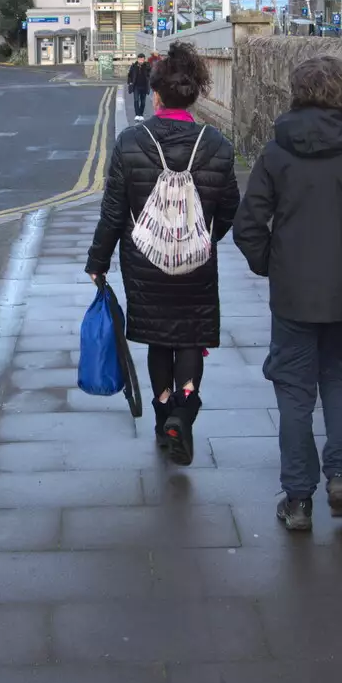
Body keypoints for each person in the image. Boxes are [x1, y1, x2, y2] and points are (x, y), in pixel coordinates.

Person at [233, 56, 342, 532]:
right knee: (340, 379)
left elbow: (248, 225)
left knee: (293, 389)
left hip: (291, 294)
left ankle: (298, 498)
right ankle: (340, 475)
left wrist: (272, 264)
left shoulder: (275, 154)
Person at [86, 42, 241, 466]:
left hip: (144, 262)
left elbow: (114, 212)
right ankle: (184, 416)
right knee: (190, 337)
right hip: (196, 264)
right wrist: (201, 239)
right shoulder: (219, 145)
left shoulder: (131, 141)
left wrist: (98, 263)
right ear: (195, 96)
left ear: (156, 95)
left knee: (159, 340)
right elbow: (229, 209)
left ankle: (163, 415)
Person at [124, 53, 150, 121]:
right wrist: (130, 82)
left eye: (142, 59)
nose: (141, 61)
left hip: (144, 86)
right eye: (139, 59)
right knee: (136, 100)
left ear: (144, 59)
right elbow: (129, 75)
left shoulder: (147, 66)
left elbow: (150, 75)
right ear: (137, 59)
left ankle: (141, 114)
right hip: (136, 86)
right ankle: (137, 114)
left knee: (143, 102)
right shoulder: (134, 66)